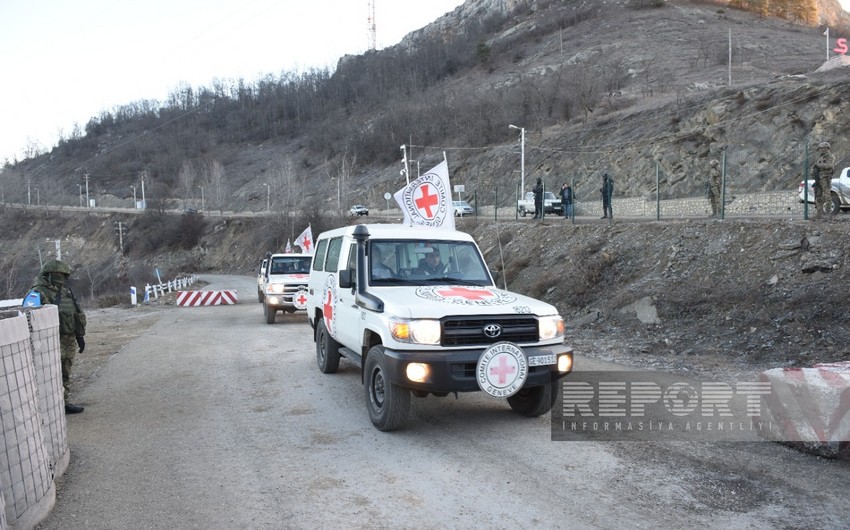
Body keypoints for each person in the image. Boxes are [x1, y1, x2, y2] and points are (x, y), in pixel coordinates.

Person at [29, 259, 87, 414]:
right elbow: (29, 318)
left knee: (65, 372)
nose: (61, 277)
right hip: (49, 341)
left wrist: (80, 336)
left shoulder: (65, 291)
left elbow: (77, 313)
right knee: (48, 374)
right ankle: (47, 406)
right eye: (58, 274)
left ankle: (64, 402)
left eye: (63, 275)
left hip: (68, 340)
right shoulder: (37, 293)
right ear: (48, 274)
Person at [812, 141, 835, 219]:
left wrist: (819, 165)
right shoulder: (820, 157)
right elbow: (815, 167)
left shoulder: (830, 157)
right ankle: (819, 213)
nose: (821, 150)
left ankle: (828, 213)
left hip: (825, 178)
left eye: (823, 148)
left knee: (827, 195)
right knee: (818, 195)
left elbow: (830, 165)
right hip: (818, 178)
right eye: (820, 148)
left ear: (827, 148)